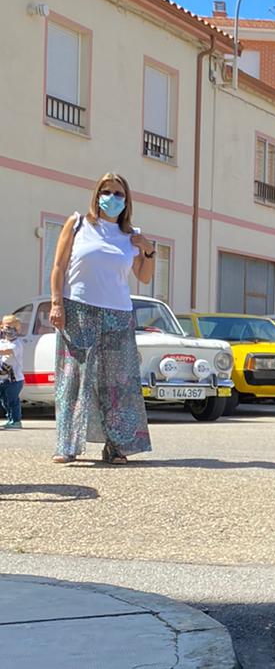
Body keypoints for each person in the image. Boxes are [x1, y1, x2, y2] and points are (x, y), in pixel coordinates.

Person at [48, 172, 157, 464]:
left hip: (119, 314)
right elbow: (58, 266)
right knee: (74, 379)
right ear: (97, 195)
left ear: (127, 200)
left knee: (119, 383)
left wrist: (148, 249)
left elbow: (144, 277)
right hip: (78, 309)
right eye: (106, 191)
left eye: (119, 193)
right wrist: (56, 303)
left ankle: (117, 446)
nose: (112, 198)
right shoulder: (78, 224)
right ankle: (67, 446)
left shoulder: (131, 235)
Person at [0, 314, 24, 428]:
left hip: (15, 380)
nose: (9, 330)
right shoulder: (2, 342)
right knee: (4, 401)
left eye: (12, 327)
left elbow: (7, 351)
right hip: (4, 379)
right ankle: (10, 418)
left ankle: (16, 420)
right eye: (7, 326)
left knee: (13, 400)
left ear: (18, 330)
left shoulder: (17, 344)